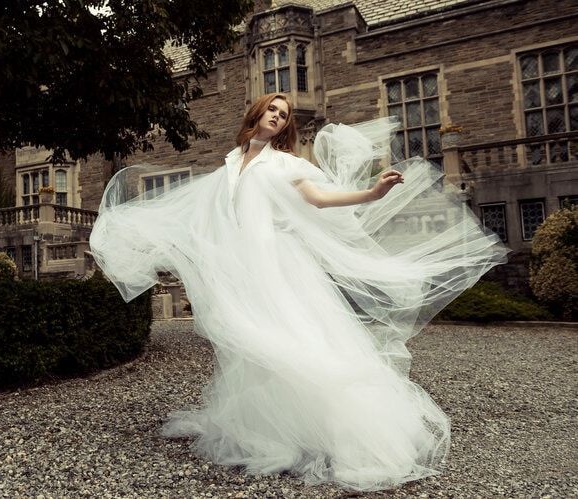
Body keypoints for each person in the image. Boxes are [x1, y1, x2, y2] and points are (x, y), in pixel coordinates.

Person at [89, 93, 508, 491]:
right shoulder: (231, 162)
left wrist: (372, 192)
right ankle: (266, 429)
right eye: (272, 109)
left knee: (296, 340)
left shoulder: (285, 164)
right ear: (255, 113)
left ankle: (340, 434)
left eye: (284, 114)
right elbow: (205, 211)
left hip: (281, 264)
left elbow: (320, 200)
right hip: (248, 266)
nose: (278, 116)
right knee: (255, 347)